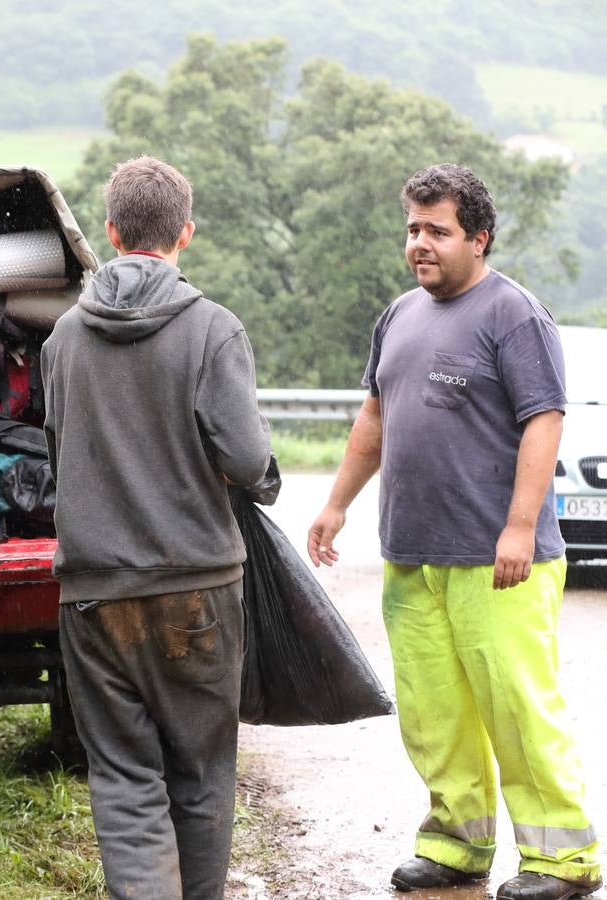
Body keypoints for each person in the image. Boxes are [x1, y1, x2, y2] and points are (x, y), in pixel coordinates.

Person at [307, 164, 600, 900]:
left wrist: (519, 527)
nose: (420, 243)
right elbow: (374, 418)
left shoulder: (515, 315)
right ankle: (455, 846)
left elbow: (544, 419)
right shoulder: (399, 315)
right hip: (411, 554)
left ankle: (563, 861)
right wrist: (337, 503)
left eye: (437, 230)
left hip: (498, 559)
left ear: (479, 236)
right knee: (434, 715)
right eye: (413, 229)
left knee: (518, 708)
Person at [40, 156, 271, 899]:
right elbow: (245, 457)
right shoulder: (213, 329)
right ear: (186, 234)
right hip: (196, 590)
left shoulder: (63, 339)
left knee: (123, 777)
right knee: (200, 774)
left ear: (110, 231)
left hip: (94, 594)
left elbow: (57, 450)